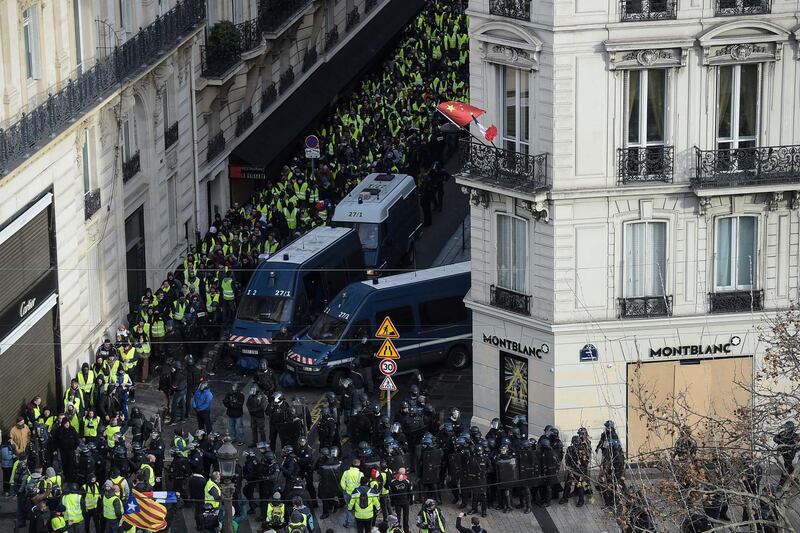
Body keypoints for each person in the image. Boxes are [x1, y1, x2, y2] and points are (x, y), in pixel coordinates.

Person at [388, 467, 413, 533]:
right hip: (405, 502)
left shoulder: (393, 482)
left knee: (397, 518)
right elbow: (410, 492)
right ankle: (406, 531)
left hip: (397, 502)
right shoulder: (407, 481)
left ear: (398, 472)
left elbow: (391, 493)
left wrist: (392, 502)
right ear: (404, 473)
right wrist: (411, 501)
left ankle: (397, 531)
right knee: (406, 517)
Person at [340, 458, 363, 528]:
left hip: (348, 493)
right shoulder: (361, 474)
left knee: (348, 508)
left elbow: (342, 483)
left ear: (352, 464)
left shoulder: (346, 472)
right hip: (357, 495)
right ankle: (356, 524)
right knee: (357, 509)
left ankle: (347, 523)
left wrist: (346, 489)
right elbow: (362, 484)